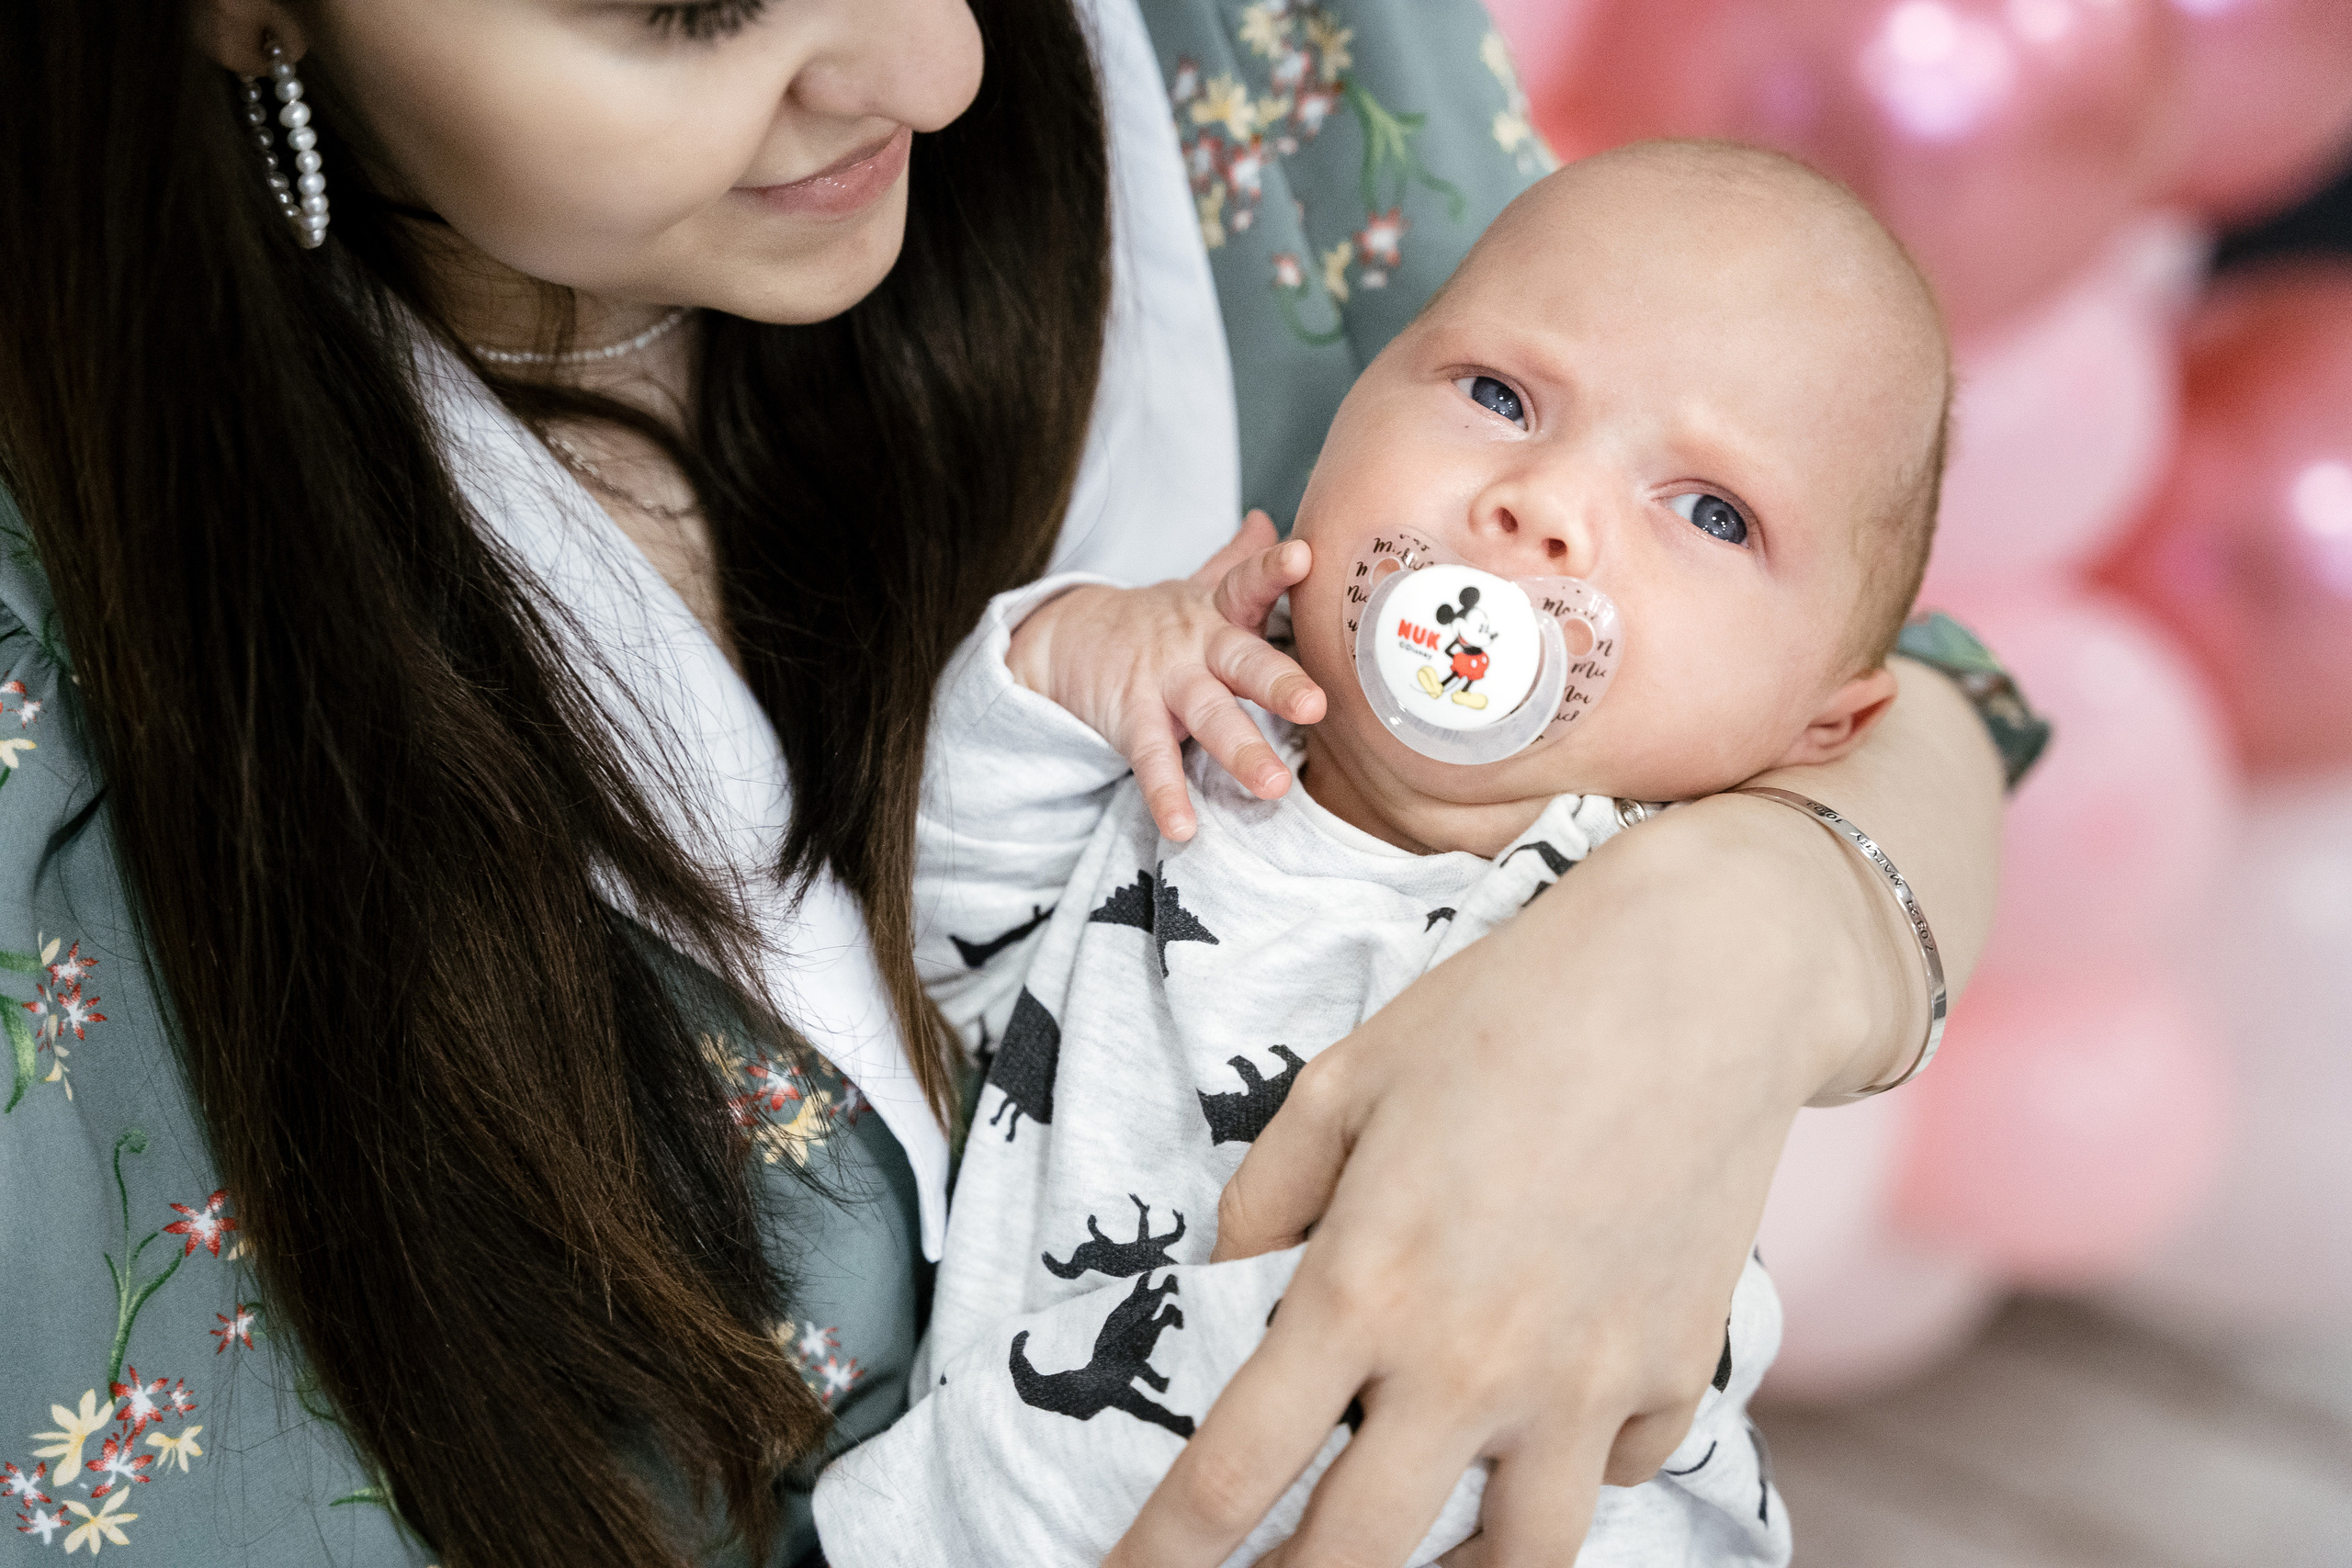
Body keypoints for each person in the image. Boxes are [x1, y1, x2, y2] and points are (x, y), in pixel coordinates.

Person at [0, 4, 2023, 1568]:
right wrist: (1074, 674)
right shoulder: (1234, 732)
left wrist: (1738, 935)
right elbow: (971, 895)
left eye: (1691, 510)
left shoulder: (1609, 787)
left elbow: (1886, 666)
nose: (941, 66)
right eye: (693, 3)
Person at [812, 141, 1946, 1568]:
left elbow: (1640, 1438)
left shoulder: (1642, 943)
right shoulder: (1190, 751)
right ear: (1343, 413)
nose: (1543, 505)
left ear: (1821, 720)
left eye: (1712, 510)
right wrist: (1059, 668)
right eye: (1497, 395)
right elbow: (939, 961)